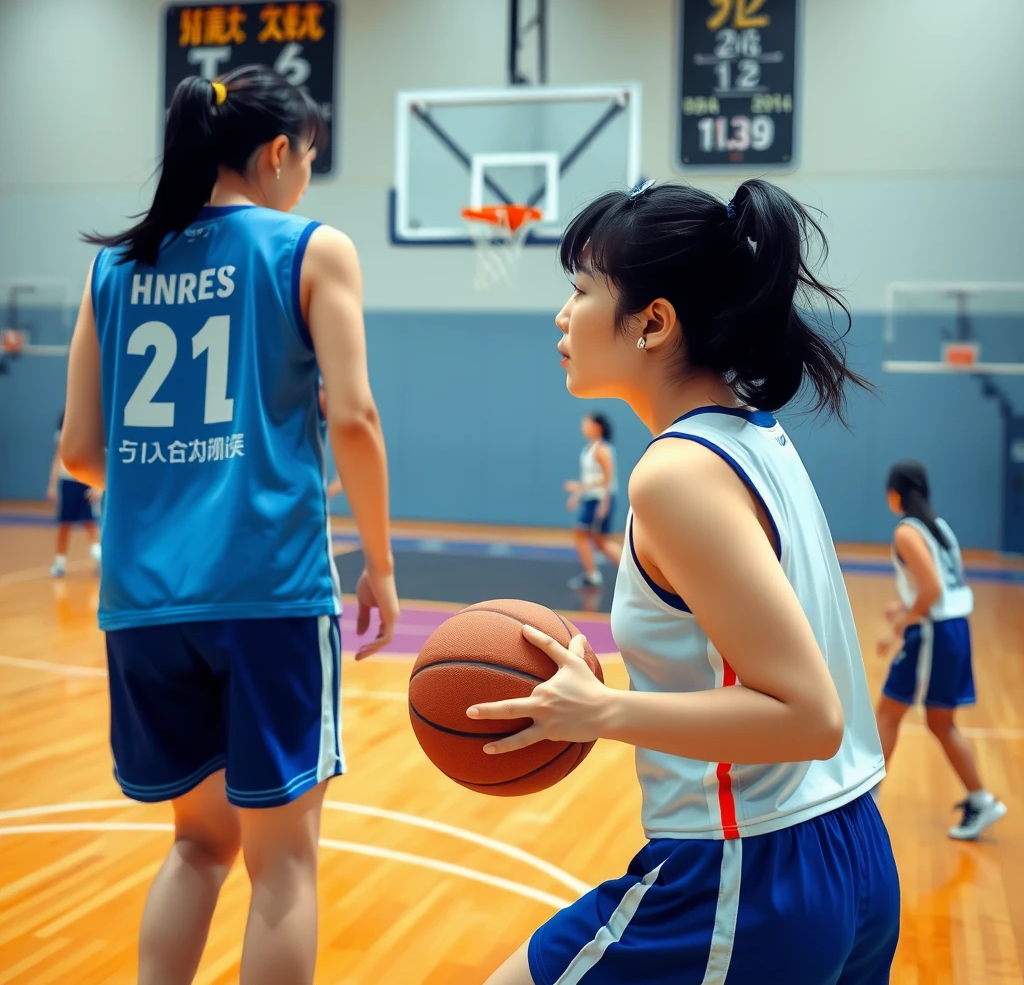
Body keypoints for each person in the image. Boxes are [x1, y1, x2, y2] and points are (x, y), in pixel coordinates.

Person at [472, 179, 899, 984]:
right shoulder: (754, 437)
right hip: (850, 849)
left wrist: (601, 711)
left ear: (655, 322)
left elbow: (808, 714)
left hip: (750, 870)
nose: (562, 316)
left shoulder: (674, 475)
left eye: (580, 290)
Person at [60, 65, 398, 985]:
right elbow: (356, 420)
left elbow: (80, 452)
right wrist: (380, 563)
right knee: (282, 862)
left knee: (197, 846)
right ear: (280, 151)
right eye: (309, 161)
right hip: (267, 592)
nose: (306, 182)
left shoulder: (112, 266)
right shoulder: (309, 248)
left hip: (142, 603)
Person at [875, 460, 1007, 841]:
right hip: (955, 628)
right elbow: (943, 588)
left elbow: (932, 591)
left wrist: (900, 624)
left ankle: (868, 801)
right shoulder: (940, 528)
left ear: (895, 493)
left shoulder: (906, 532)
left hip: (933, 633)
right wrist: (903, 607)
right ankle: (981, 800)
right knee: (940, 722)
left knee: (887, 713)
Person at [564, 413, 621, 589]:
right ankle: (627, 573)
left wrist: (603, 503)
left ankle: (592, 574)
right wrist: (576, 496)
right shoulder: (590, 448)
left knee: (582, 533)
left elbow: (607, 479)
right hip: (591, 498)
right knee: (600, 541)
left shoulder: (602, 449)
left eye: (586, 423)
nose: (583, 427)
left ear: (597, 427)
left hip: (600, 499)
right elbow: (589, 476)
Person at [47, 410, 102, 576]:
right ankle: (59, 563)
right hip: (68, 483)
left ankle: (98, 560)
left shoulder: (92, 434)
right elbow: (58, 460)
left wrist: (98, 485)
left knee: (90, 523)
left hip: (86, 481)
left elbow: (98, 459)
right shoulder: (62, 436)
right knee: (65, 524)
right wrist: (52, 486)